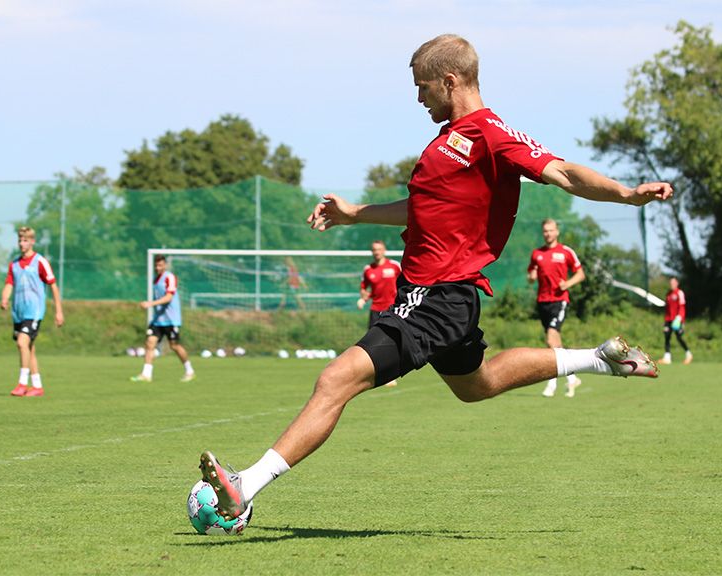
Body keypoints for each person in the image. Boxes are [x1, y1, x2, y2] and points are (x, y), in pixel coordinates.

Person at [198, 34, 673, 521]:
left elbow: (565, 173)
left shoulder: (491, 134)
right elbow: (422, 209)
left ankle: (244, 489)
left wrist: (626, 193)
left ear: (450, 81)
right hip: (439, 296)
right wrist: (355, 213)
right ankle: (599, 360)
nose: (418, 98)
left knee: (335, 379)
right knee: (477, 384)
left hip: (438, 296)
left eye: (423, 87)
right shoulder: (448, 142)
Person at [0, 226, 64, 397]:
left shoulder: (40, 262)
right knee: (29, 348)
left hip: (34, 311)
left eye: (25, 240)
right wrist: (4, 298)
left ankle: (22, 383)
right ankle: (37, 386)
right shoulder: (14, 264)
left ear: (32, 242)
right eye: (20, 240)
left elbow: (53, 286)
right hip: (18, 312)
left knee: (22, 343)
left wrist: (59, 311)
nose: (22, 243)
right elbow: (9, 283)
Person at [527, 219, 585, 397]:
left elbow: (581, 274)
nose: (548, 234)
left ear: (557, 232)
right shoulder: (537, 253)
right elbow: (530, 275)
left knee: (551, 340)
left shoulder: (566, 252)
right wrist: (532, 276)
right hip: (542, 302)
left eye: (551, 230)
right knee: (556, 343)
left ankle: (551, 383)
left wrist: (567, 284)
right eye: (545, 231)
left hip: (559, 301)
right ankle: (572, 378)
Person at [131, 255, 195, 382]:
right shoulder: (155, 279)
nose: (157, 267)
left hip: (171, 319)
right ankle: (146, 374)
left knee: (174, 346)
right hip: (158, 319)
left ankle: (189, 370)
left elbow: (169, 297)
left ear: (165, 265)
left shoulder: (169, 277)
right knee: (150, 343)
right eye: (156, 265)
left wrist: (150, 304)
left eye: (160, 265)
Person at [358, 240, 402, 386]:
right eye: (374, 250)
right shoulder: (368, 270)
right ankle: (375, 373)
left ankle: (391, 374)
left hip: (392, 309)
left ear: (384, 250)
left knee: (392, 341)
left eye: (379, 249)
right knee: (373, 343)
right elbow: (364, 289)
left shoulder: (394, 266)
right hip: (375, 310)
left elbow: (405, 282)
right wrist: (363, 298)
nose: (377, 252)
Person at [658, 277, 692, 365]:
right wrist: (665, 320)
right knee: (667, 337)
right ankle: (667, 358)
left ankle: (688, 354)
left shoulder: (679, 293)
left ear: (677, 283)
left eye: (673, 283)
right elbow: (667, 309)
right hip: (668, 320)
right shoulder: (668, 294)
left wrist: (679, 318)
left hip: (677, 320)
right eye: (670, 283)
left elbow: (682, 307)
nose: (671, 285)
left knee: (679, 337)